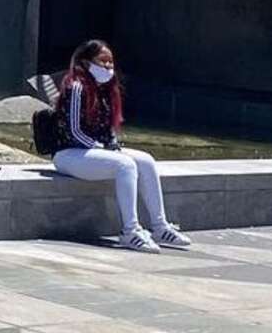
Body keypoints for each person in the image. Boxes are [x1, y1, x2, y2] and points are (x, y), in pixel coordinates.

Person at [50, 39, 191, 253]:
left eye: (110, 62)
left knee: (146, 160)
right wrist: (100, 147)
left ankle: (160, 226)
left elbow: (108, 131)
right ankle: (130, 231)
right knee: (125, 165)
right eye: (102, 61)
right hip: (69, 153)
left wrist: (111, 145)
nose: (108, 67)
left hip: (94, 151)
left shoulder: (106, 91)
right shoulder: (76, 86)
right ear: (87, 63)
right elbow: (73, 131)